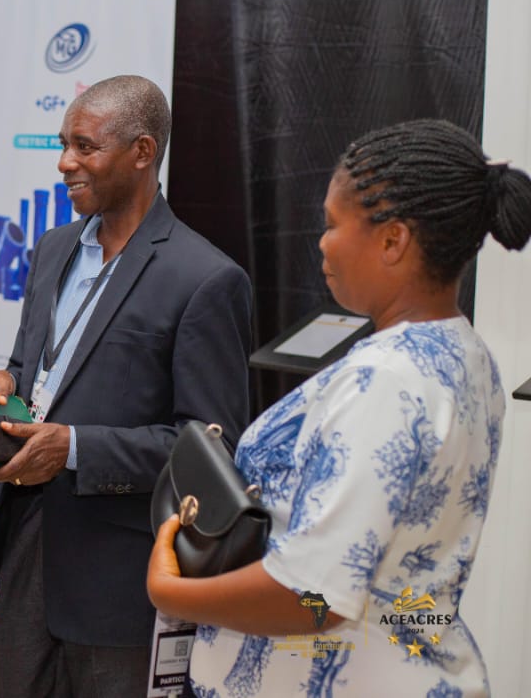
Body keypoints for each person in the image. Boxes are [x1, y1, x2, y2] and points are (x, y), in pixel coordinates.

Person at [147, 119, 531, 697]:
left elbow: (317, 598)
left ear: (393, 240)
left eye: (331, 224)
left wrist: (173, 592)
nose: (322, 242)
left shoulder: (385, 381)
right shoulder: (467, 354)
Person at [0, 75, 253, 697]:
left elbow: (210, 449)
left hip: (119, 577)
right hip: (25, 544)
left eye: (85, 147)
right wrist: (5, 380)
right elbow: (36, 367)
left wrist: (73, 448)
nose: (65, 162)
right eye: (63, 145)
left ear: (142, 151)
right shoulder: (53, 248)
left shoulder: (205, 278)